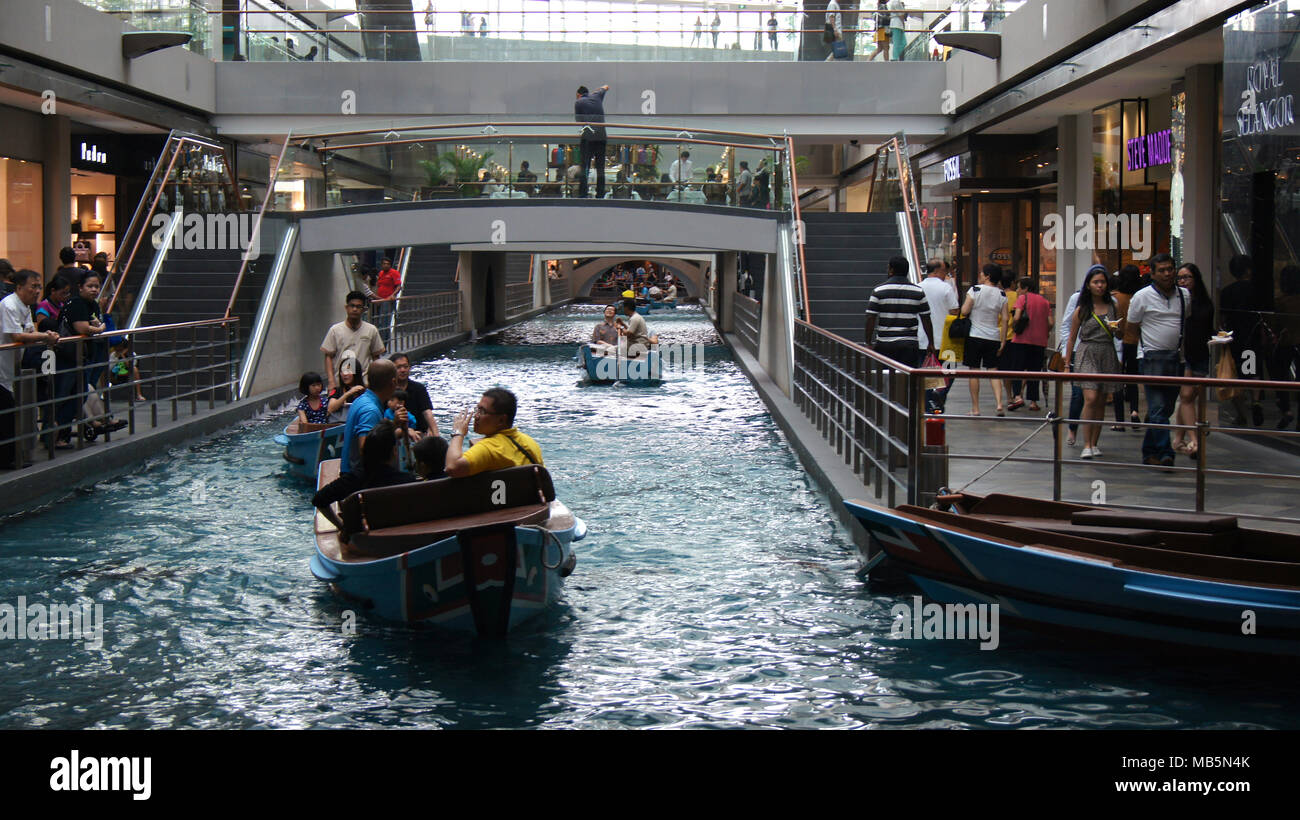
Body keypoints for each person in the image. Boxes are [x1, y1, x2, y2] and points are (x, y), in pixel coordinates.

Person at [312, 359, 405, 536]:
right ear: (393, 382)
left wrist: (393, 425)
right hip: (361, 484)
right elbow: (367, 449)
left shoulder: (363, 400)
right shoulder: (370, 410)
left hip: (354, 476)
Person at [1126, 253, 1189, 468]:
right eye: (1161, 270)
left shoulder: (1184, 295)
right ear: (1152, 274)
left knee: (1166, 408)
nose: (1167, 273)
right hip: (1150, 358)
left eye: (1170, 269)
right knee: (1157, 407)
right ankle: (1165, 451)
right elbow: (1132, 329)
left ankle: (1148, 451)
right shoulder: (1141, 296)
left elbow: (1185, 324)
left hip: (1175, 359)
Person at [1, 270, 59, 468]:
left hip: (12, 368)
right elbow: (16, 336)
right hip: (3, 368)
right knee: (7, 415)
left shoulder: (25, 307)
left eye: (38, 287)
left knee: (12, 412)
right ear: (19, 287)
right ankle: (7, 459)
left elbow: (29, 332)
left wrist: (44, 334)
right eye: (33, 286)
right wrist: (45, 336)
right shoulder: (9, 305)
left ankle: (11, 457)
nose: (36, 291)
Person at [1064, 267, 1122, 459]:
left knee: (1100, 400)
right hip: (1087, 351)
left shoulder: (1113, 307)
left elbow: (1122, 334)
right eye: (1096, 282)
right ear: (1088, 285)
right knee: (1090, 397)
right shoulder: (1082, 308)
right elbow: (1072, 337)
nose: (1099, 285)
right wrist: (1067, 364)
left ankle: (1095, 443)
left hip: (1107, 351)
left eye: (1102, 282)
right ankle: (1086, 444)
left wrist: (1117, 329)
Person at [445, 387, 543, 477]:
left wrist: (458, 433)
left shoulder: (490, 448)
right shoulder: (531, 443)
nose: (476, 416)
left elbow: (452, 467)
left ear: (501, 420)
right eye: (477, 409)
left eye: (482, 411)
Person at [1171, 263, 1214, 459]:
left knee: (1189, 398)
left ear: (1195, 279)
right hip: (1183, 353)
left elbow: (1207, 328)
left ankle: (1178, 439)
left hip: (1201, 353)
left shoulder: (1205, 302)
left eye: (1187, 277)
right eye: (1179, 278)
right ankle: (1195, 439)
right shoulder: (1176, 301)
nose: (1183, 281)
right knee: (1187, 395)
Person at [864, 256, 934, 369]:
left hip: (885, 344)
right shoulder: (918, 292)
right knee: (908, 378)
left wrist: (868, 342)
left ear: (891, 270)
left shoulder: (878, 291)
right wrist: (931, 343)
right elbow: (926, 319)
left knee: (886, 378)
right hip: (909, 344)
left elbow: (870, 318)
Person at [1219, 253, 1264, 426]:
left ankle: (1241, 413)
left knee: (1234, 376)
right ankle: (1256, 401)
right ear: (1248, 270)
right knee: (1252, 372)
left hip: (1234, 340)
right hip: (1251, 339)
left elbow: (1223, 319)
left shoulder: (1227, 292)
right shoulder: (1257, 290)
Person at [960, 264, 1007, 415]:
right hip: (993, 337)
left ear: (987, 276)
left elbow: (965, 310)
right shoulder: (1002, 295)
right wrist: (1003, 340)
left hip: (974, 335)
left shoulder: (975, 290)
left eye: (982, 273)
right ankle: (999, 403)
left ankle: (975, 408)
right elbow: (1005, 319)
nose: (980, 275)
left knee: (974, 371)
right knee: (993, 370)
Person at [320, 290, 385, 392]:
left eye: (358, 307)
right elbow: (328, 356)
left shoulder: (371, 330)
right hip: (340, 384)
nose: (355, 309)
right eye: (352, 306)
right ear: (346, 308)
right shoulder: (335, 330)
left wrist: (376, 380)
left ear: (364, 309)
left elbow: (376, 357)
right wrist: (331, 381)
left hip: (364, 383)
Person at [1006, 277, 1052, 412]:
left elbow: (1017, 317)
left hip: (1021, 340)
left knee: (1017, 369)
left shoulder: (1022, 299)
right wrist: (1044, 332)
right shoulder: (1045, 302)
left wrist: (1015, 326)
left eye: (1019, 287)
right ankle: (1033, 401)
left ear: (1026, 288)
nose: (1018, 290)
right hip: (1039, 342)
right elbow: (1050, 322)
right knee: (1035, 372)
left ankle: (1018, 396)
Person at [919, 258, 960, 411]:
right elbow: (955, 310)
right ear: (937, 271)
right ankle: (938, 396)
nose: (946, 274)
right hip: (946, 340)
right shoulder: (946, 288)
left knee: (928, 372)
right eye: (944, 271)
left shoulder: (918, 287)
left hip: (923, 340)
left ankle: (930, 402)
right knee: (949, 372)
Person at [1113, 264, 1142, 430]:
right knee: (1133, 380)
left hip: (1119, 341)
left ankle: (1119, 421)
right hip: (1137, 343)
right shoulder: (1140, 296)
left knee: (1117, 381)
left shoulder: (1116, 298)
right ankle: (1134, 411)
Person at [390, 352, 439, 439]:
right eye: (398, 367)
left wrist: (436, 435)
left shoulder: (419, 388)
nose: (403, 370)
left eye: (405, 366)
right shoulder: (388, 390)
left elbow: (427, 412)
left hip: (420, 434)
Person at [575, 84, 610, 200]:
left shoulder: (579, 102)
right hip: (601, 136)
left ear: (579, 95)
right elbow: (606, 87)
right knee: (600, 167)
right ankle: (600, 194)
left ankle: (583, 194)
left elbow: (578, 121)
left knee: (585, 166)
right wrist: (595, 93)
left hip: (588, 137)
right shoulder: (597, 96)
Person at [327, 356, 365, 420]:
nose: (344, 374)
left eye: (348, 371)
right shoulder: (337, 390)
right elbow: (330, 408)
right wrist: (348, 393)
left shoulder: (365, 391)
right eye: (342, 371)